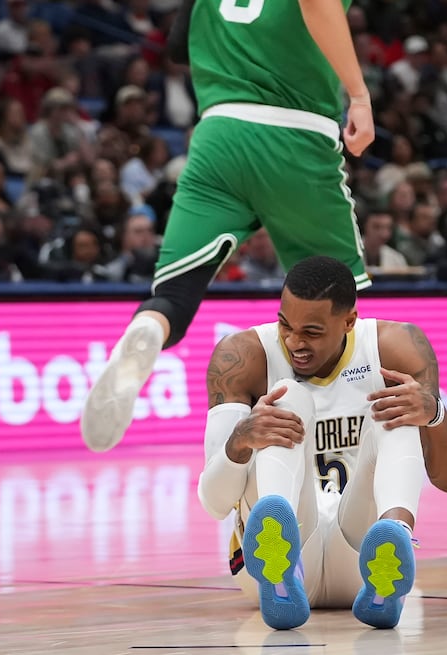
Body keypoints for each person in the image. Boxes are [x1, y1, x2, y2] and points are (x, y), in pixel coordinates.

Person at [80, 0, 377, 453]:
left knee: (174, 294)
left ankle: (150, 329)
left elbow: (177, 44)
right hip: (293, 132)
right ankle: (341, 441)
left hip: (216, 136)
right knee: (337, 302)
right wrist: (359, 94)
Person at [197, 256, 447, 630]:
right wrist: (240, 441)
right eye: (285, 325)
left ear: (349, 321)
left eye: (311, 332)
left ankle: (394, 541)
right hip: (269, 564)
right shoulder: (243, 355)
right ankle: (280, 551)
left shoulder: (395, 347)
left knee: (398, 407)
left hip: (360, 558)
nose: (294, 342)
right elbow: (214, 503)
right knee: (286, 397)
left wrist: (433, 413)